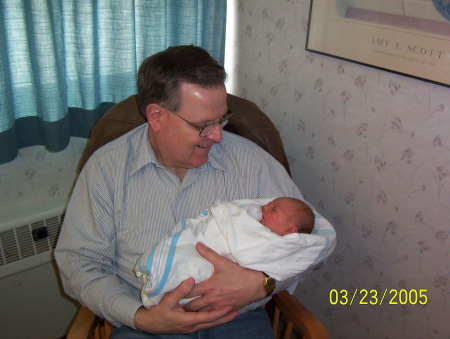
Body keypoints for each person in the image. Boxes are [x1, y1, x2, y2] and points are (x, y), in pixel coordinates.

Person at [55, 45, 336, 338]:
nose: (218, 135)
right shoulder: (107, 169)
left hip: (236, 319)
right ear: (156, 116)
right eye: (203, 125)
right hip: (147, 319)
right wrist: (139, 318)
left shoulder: (252, 163)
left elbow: (314, 241)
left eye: (221, 119)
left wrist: (263, 283)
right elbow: (80, 262)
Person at [135, 197, 330, 308]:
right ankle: (161, 276)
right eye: (269, 204)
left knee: (192, 271)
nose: (264, 207)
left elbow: (248, 253)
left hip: (235, 313)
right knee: (187, 256)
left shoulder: (280, 246)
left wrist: (262, 284)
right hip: (154, 317)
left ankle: (162, 282)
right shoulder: (254, 220)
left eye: (273, 210)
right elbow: (228, 222)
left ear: (289, 231)